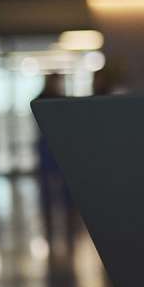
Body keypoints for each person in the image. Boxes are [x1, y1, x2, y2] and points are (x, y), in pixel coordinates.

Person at [34, 73, 79, 261]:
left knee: (65, 187)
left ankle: (68, 219)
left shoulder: (60, 100)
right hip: (47, 147)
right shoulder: (42, 100)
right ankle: (50, 221)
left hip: (58, 147)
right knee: (47, 188)